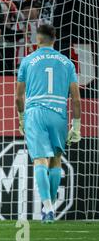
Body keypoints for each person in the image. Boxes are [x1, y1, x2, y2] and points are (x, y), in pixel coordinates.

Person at [15, 24, 81, 224]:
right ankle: (48, 208)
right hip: (59, 112)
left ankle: (48, 208)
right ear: (54, 39)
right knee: (56, 161)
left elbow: (19, 97)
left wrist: (21, 118)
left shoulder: (28, 60)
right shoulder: (67, 62)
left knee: (39, 161)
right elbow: (76, 99)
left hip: (35, 112)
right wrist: (76, 126)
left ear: (38, 39)